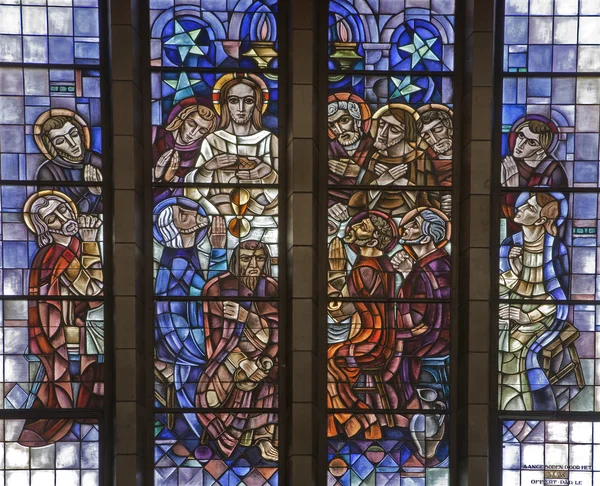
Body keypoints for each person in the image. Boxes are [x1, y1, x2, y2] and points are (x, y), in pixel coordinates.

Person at [19, 191, 104, 446]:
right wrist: (91, 243)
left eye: (63, 209)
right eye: (52, 218)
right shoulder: (56, 253)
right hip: (61, 333)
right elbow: (94, 290)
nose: (62, 217)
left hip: (76, 325)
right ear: (45, 228)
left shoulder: (70, 248)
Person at [153, 197, 228, 454]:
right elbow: (214, 296)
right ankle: (211, 439)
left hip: (190, 341)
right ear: (177, 230)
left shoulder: (180, 257)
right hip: (190, 348)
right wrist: (219, 251)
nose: (196, 214)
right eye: (184, 215)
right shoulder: (178, 262)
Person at [196, 241, 279, 462]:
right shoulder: (217, 287)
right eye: (246, 259)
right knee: (210, 399)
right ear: (235, 260)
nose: (253, 264)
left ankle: (263, 436)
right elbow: (216, 339)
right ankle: (232, 434)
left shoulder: (271, 287)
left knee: (276, 376)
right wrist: (241, 362)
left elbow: (279, 332)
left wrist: (266, 360)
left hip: (265, 357)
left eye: (260, 258)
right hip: (228, 358)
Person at [326, 211, 397, 440]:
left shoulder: (365, 269)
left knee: (328, 358)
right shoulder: (378, 263)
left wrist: (333, 276)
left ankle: (358, 418)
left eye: (361, 226)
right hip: (378, 336)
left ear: (373, 240)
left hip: (373, 341)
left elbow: (340, 311)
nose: (353, 228)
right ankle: (352, 420)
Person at [498, 192, 569, 411]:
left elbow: (558, 298)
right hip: (510, 306)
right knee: (494, 339)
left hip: (542, 314)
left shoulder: (555, 249)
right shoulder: (509, 245)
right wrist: (514, 269)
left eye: (528, 208)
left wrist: (527, 316)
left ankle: (523, 407)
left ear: (540, 220)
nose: (519, 209)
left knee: (513, 349)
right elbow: (500, 287)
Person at [186, 75, 278, 216]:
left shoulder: (270, 140)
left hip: (263, 219)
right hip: (217, 218)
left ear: (257, 105)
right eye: (234, 100)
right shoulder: (212, 141)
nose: (241, 108)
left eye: (248, 101)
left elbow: (284, 194)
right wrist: (208, 168)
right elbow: (193, 191)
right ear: (225, 104)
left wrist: (269, 174)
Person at [388, 209, 451, 409]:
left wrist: (407, 273)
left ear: (428, 234)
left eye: (413, 226)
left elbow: (422, 321)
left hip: (432, 341)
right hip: (433, 336)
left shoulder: (435, 267)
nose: (404, 229)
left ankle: (403, 410)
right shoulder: (432, 264)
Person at [349, 104, 434, 216]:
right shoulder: (374, 157)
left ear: (406, 133)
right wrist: (381, 181)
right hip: (373, 219)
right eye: (382, 124)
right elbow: (354, 206)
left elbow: (433, 206)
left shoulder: (420, 159)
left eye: (393, 129)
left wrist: (403, 183)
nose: (382, 133)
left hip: (411, 221)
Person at [34, 110, 103, 213]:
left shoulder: (97, 162)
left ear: (81, 134)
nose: (72, 143)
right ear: (51, 147)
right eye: (60, 141)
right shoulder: (49, 172)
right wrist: (92, 194)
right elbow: (54, 215)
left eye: (74, 134)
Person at [153, 99, 218, 201]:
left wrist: (167, 179)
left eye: (202, 130)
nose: (193, 132)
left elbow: (189, 196)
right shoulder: (155, 136)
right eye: (191, 124)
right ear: (181, 119)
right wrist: (156, 174)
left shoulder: (200, 155)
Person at [327, 93, 374, 205]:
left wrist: (359, 173)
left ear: (357, 120)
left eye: (344, 120)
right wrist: (330, 204)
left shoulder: (374, 148)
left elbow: (389, 181)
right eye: (332, 125)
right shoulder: (328, 151)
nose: (340, 130)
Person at [417, 105, 453, 187]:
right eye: (426, 135)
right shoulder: (424, 160)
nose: (434, 139)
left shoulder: (464, 156)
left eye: (437, 129)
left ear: (450, 128)